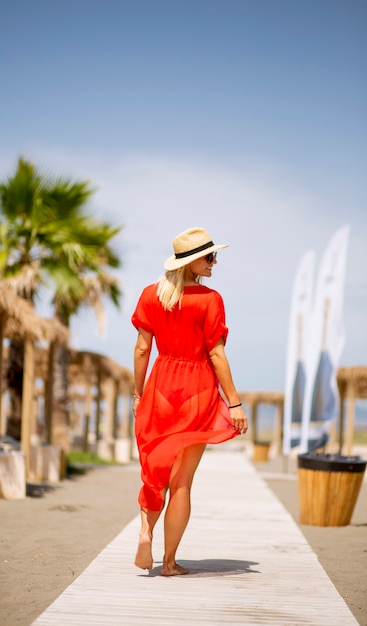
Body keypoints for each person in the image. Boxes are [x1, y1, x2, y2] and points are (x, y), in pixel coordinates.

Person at [131, 226, 248, 577]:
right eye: (210, 257)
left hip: (161, 387)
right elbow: (216, 354)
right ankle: (168, 563)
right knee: (182, 482)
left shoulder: (151, 295)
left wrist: (138, 393)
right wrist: (235, 403)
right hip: (197, 390)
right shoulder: (211, 300)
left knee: (157, 474)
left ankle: (144, 530)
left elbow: (141, 350)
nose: (215, 263)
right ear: (192, 262)